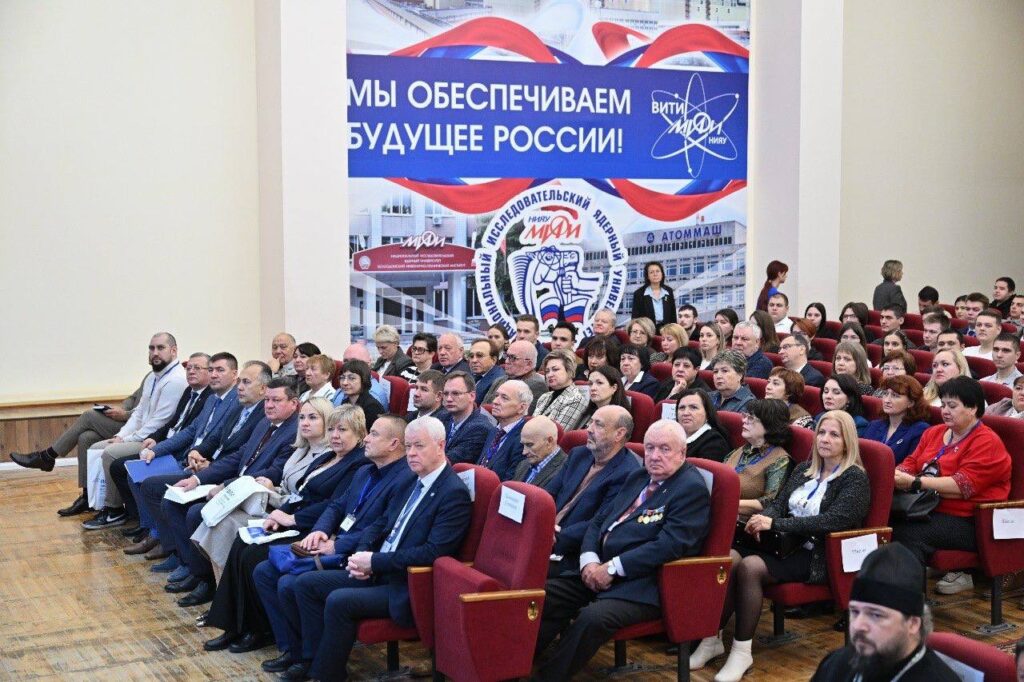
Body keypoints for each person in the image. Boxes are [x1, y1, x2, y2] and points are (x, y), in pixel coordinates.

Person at [282, 416, 472, 682]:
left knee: (339, 601)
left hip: (405, 583)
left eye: (419, 446)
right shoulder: (414, 479)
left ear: (440, 446)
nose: (411, 453)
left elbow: (433, 552)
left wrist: (375, 562)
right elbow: (381, 522)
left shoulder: (452, 493)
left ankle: (326, 675)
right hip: (379, 568)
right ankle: (312, 662)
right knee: (304, 584)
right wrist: (361, 554)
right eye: (408, 446)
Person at [692, 411, 870, 681]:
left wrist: (775, 524)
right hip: (782, 544)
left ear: (848, 442)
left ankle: (741, 652)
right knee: (730, 558)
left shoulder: (854, 478)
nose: (825, 439)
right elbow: (779, 504)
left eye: (834, 435)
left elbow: (833, 521)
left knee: (750, 567)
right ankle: (711, 639)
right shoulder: (803, 470)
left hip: (818, 553)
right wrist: (763, 519)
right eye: (821, 433)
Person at [535, 420, 710, 681]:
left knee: (592, 619)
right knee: (545, 596)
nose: (654, 456)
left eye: (664, 449)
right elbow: (598, 522)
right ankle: (515, 666)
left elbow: (668, 546)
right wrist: (589, 560)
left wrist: (613, 568)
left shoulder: (690, 488)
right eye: (649, 448)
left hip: (643, 583)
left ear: (682, 453)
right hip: (599, 567)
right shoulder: (639, 476)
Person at [253, 415, 414, 674]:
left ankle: (310, 659)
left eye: (373, 434)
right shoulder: (365, 471)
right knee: (263, 572)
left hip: (358, 555)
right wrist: (320, 530)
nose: (366, 439)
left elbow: (382, 527)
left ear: (394, 443)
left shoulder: (405, 478)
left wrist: (337, 545)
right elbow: (337, 505)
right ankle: (292, 649)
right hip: (334, 542)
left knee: (290, 583)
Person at [198, 401, 368, 640]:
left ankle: (258, 629)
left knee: (253, 556)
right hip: (294, 519)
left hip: (312, 528)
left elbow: (333, 504)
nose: (335, 435)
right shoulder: (328, 456)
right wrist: (277, 516)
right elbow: (302, 493)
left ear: (359, 433)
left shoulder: (358, 463)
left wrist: (291, 518)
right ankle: (233, 625)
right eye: (331, 429)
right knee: (241, 544)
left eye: (343, 430)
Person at [157, 378, 300, 606]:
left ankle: (207, 581)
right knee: (173, 501)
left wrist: (226, 485)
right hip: (235, 486)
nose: (269, 405)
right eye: (267, 400)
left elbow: (273, 473)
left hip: (255, 497)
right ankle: (194, 569)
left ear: (294, 403)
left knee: (196, 513)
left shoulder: (294, 432)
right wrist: (197, 478)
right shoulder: (265, 423)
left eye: (276, 400)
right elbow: (239, 456)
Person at [135, 361, 271, 569]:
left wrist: (210, 466)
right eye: (240, 382)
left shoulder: (263, 415)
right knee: (153, 487)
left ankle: (189, 564)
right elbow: (215, 437)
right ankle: (176, 553)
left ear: (263, 389)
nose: (240, 387)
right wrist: (198, 451)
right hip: (210, 466)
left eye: (246, 382)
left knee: (173, 501)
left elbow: (241, 456)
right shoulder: (239, 407)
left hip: (225, 474)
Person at [893, 377, 1011, 594]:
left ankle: (908, 603)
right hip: (928, 508)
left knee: (908, 533)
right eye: (943, 404)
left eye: (952, 406)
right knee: (885, 521)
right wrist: (897, 474)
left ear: (973, 408)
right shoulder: (934, 432)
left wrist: (916, 482)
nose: (945, 411)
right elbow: (911, 463)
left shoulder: (986, 442)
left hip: (971, 522)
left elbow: (962, 485)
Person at [118, 352, 233, 550]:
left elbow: (219, 442)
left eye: (219, 370)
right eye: (212, 369)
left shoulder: (234, 403)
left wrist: (201, 457)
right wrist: (157, 449)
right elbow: (190, 431)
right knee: (135, 471)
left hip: (201, 464)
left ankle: (163, 540)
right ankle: (153, 531)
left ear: (234, 375)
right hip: (191, 456)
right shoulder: (212, 399)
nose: (214, 374)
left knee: (150, 485)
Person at [78, 333, 189, 530]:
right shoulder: (153, 377)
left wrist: (127, 439)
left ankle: (114, 510)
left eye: (160, 348)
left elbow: (158, 422)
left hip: (153, 439)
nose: (155, 353)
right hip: (140, 434)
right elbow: (138, 413)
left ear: (173, 351)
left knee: (109, 453)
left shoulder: (176, 380)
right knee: (94, 445)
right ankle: (97, 502)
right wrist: (121, 436)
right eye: (151, 348)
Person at [811, 543, 958, 682]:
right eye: (855, 612)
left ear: (913, 624)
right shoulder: (835, 665)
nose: (858, 625)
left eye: (876, 615)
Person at [545, 405, 640, 577]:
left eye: (598, 424)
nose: (589, 429)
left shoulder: (628, 473)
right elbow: (549, 494)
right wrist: (541, 524)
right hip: (545, 534)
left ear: (619, 434)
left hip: (572, 552)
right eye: (590, 422)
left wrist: (553, 537)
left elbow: (600, 522)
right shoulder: (579, 454)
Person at [725, 399, 793, 521]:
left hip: (743, 522)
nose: (744, 421)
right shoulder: (741, 450)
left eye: (751, 418)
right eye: (745, 416)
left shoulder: (780, 460)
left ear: (770, 425)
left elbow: (769, 503)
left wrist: (726, 502)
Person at [863, 376, 930, 464]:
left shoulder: (919, 430)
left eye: (895, 396)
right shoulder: (874, 425)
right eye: (885, 394)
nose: (887, 400)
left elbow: (910, 465)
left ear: (911, 402)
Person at [477, 379, 530, 481]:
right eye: (496, 396)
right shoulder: (494, 431)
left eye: (504, 398)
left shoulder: (524, 439)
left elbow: (510, 480)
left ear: (521, 408)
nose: (495, 401)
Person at [439, 371, 495, 464]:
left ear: (472, 396)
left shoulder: (480, 428)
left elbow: (448, 462)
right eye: (445, 394)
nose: (449, 399)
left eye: (455, 393)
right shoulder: (442, 417)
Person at [534, 350, 590, 433]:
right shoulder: (544, 397)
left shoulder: (575, 399)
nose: (549, 375)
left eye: (555, 369)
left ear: (569, 371)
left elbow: (557, 434)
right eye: (547, 371)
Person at [483, 340, 546, 407]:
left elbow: (524, 412)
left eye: (513, 358)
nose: (506, 361)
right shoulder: (499, 380)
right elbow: (483, 408)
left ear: (528, 364)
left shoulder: (536, 385)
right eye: (507, 356)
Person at [674, 389, 732, 461]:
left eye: (693, 407)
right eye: (682, 408)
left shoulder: (714, 444)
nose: (685, 413)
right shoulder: (672, 435)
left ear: (707, 413)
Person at [512, 415, 568, 487]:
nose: (524, 452)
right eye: (523, 445)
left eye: (529, 445)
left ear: (549, 441)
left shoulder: (566, 471)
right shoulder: (523, 464)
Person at [570, 366, 630, 431]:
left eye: (599, 383)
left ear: (614, 388)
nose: (593, 388)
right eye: (590, 383)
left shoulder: (619, 417)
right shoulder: (586, 412)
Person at [335, 360, 385, 428]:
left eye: (351, 378)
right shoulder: (345, 402)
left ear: (363, 380)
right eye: (342, 378)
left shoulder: (372, 407)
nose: (344, 383)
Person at [631, 261, 677, 330]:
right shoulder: (639, 293)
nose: (655, 274)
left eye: (657, 271)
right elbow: (635, 317)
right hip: (647, 330)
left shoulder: (668, 291)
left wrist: (674, 330)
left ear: (662, 274)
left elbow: (673, 314)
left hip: (666, 330)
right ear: (647, 276)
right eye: (651, 272)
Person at [466, 337, 505, 404]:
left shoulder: (499, 380)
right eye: (471, 356)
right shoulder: (470, 375)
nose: (474, 360)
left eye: (479, 356)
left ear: (493, 360)